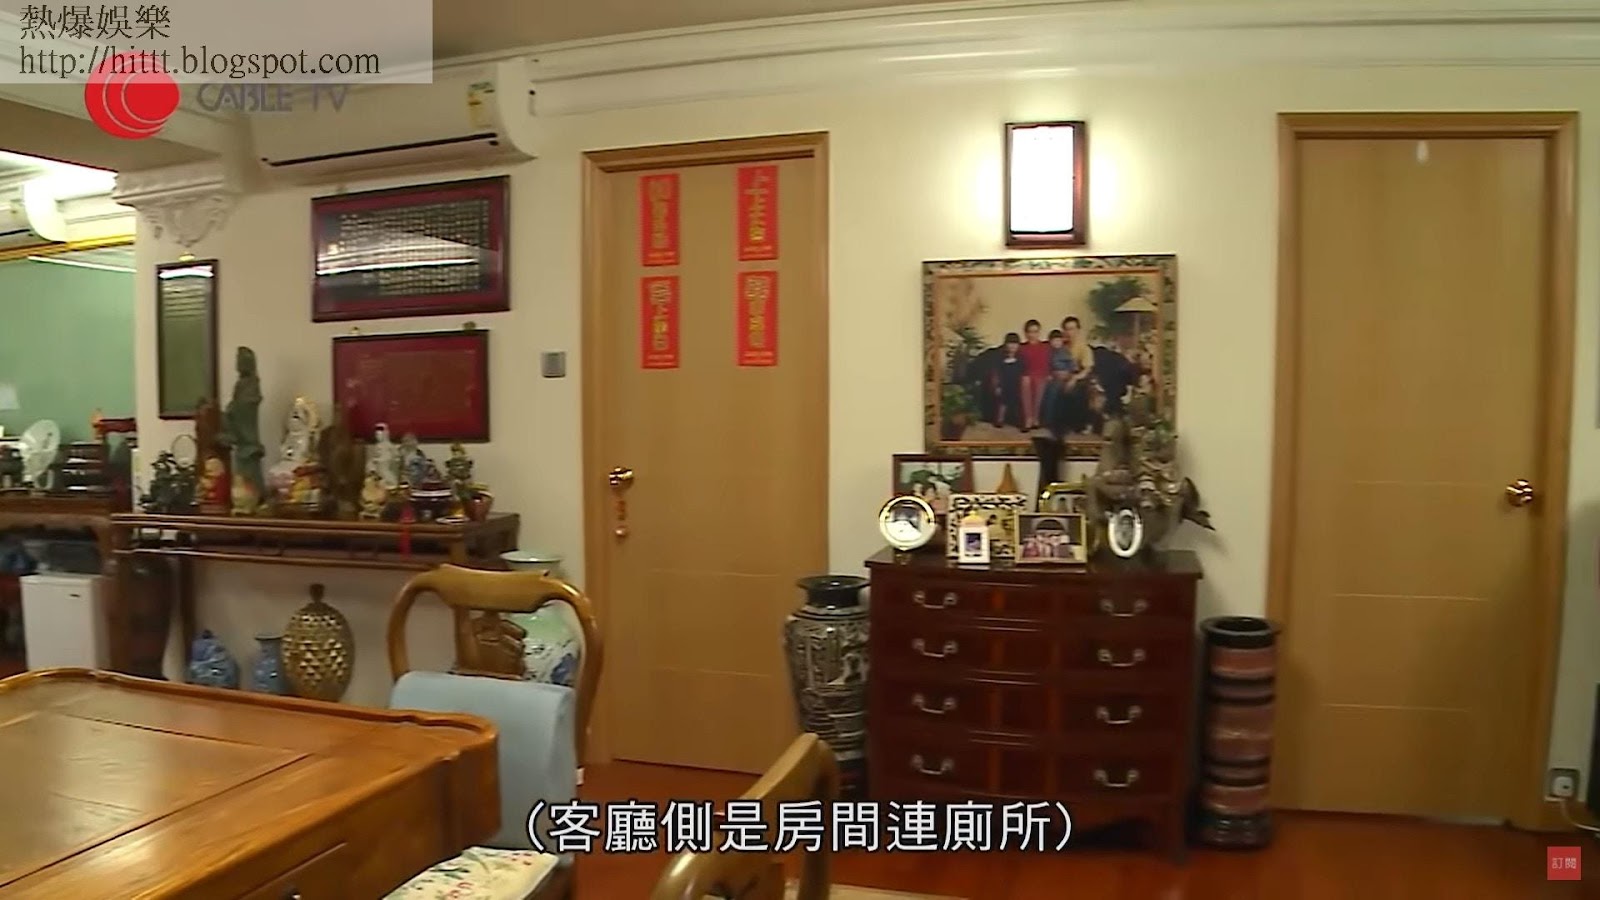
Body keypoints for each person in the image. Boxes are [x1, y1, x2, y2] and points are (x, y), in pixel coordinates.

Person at [1018, 319, 1052, 430]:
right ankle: (1028, 418)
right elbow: (1019, 366)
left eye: (1035, 332)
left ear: (1039, 332)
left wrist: (1049, 375)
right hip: (1027, 375)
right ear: (1026, 333)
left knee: (1039, 382)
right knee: (1026, 381)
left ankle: (1036, 417)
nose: (1033, 335)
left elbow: (1049, 364)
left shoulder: (1046, 347)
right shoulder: (1022, 348)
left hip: (1042, 375)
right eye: (1030, 332)